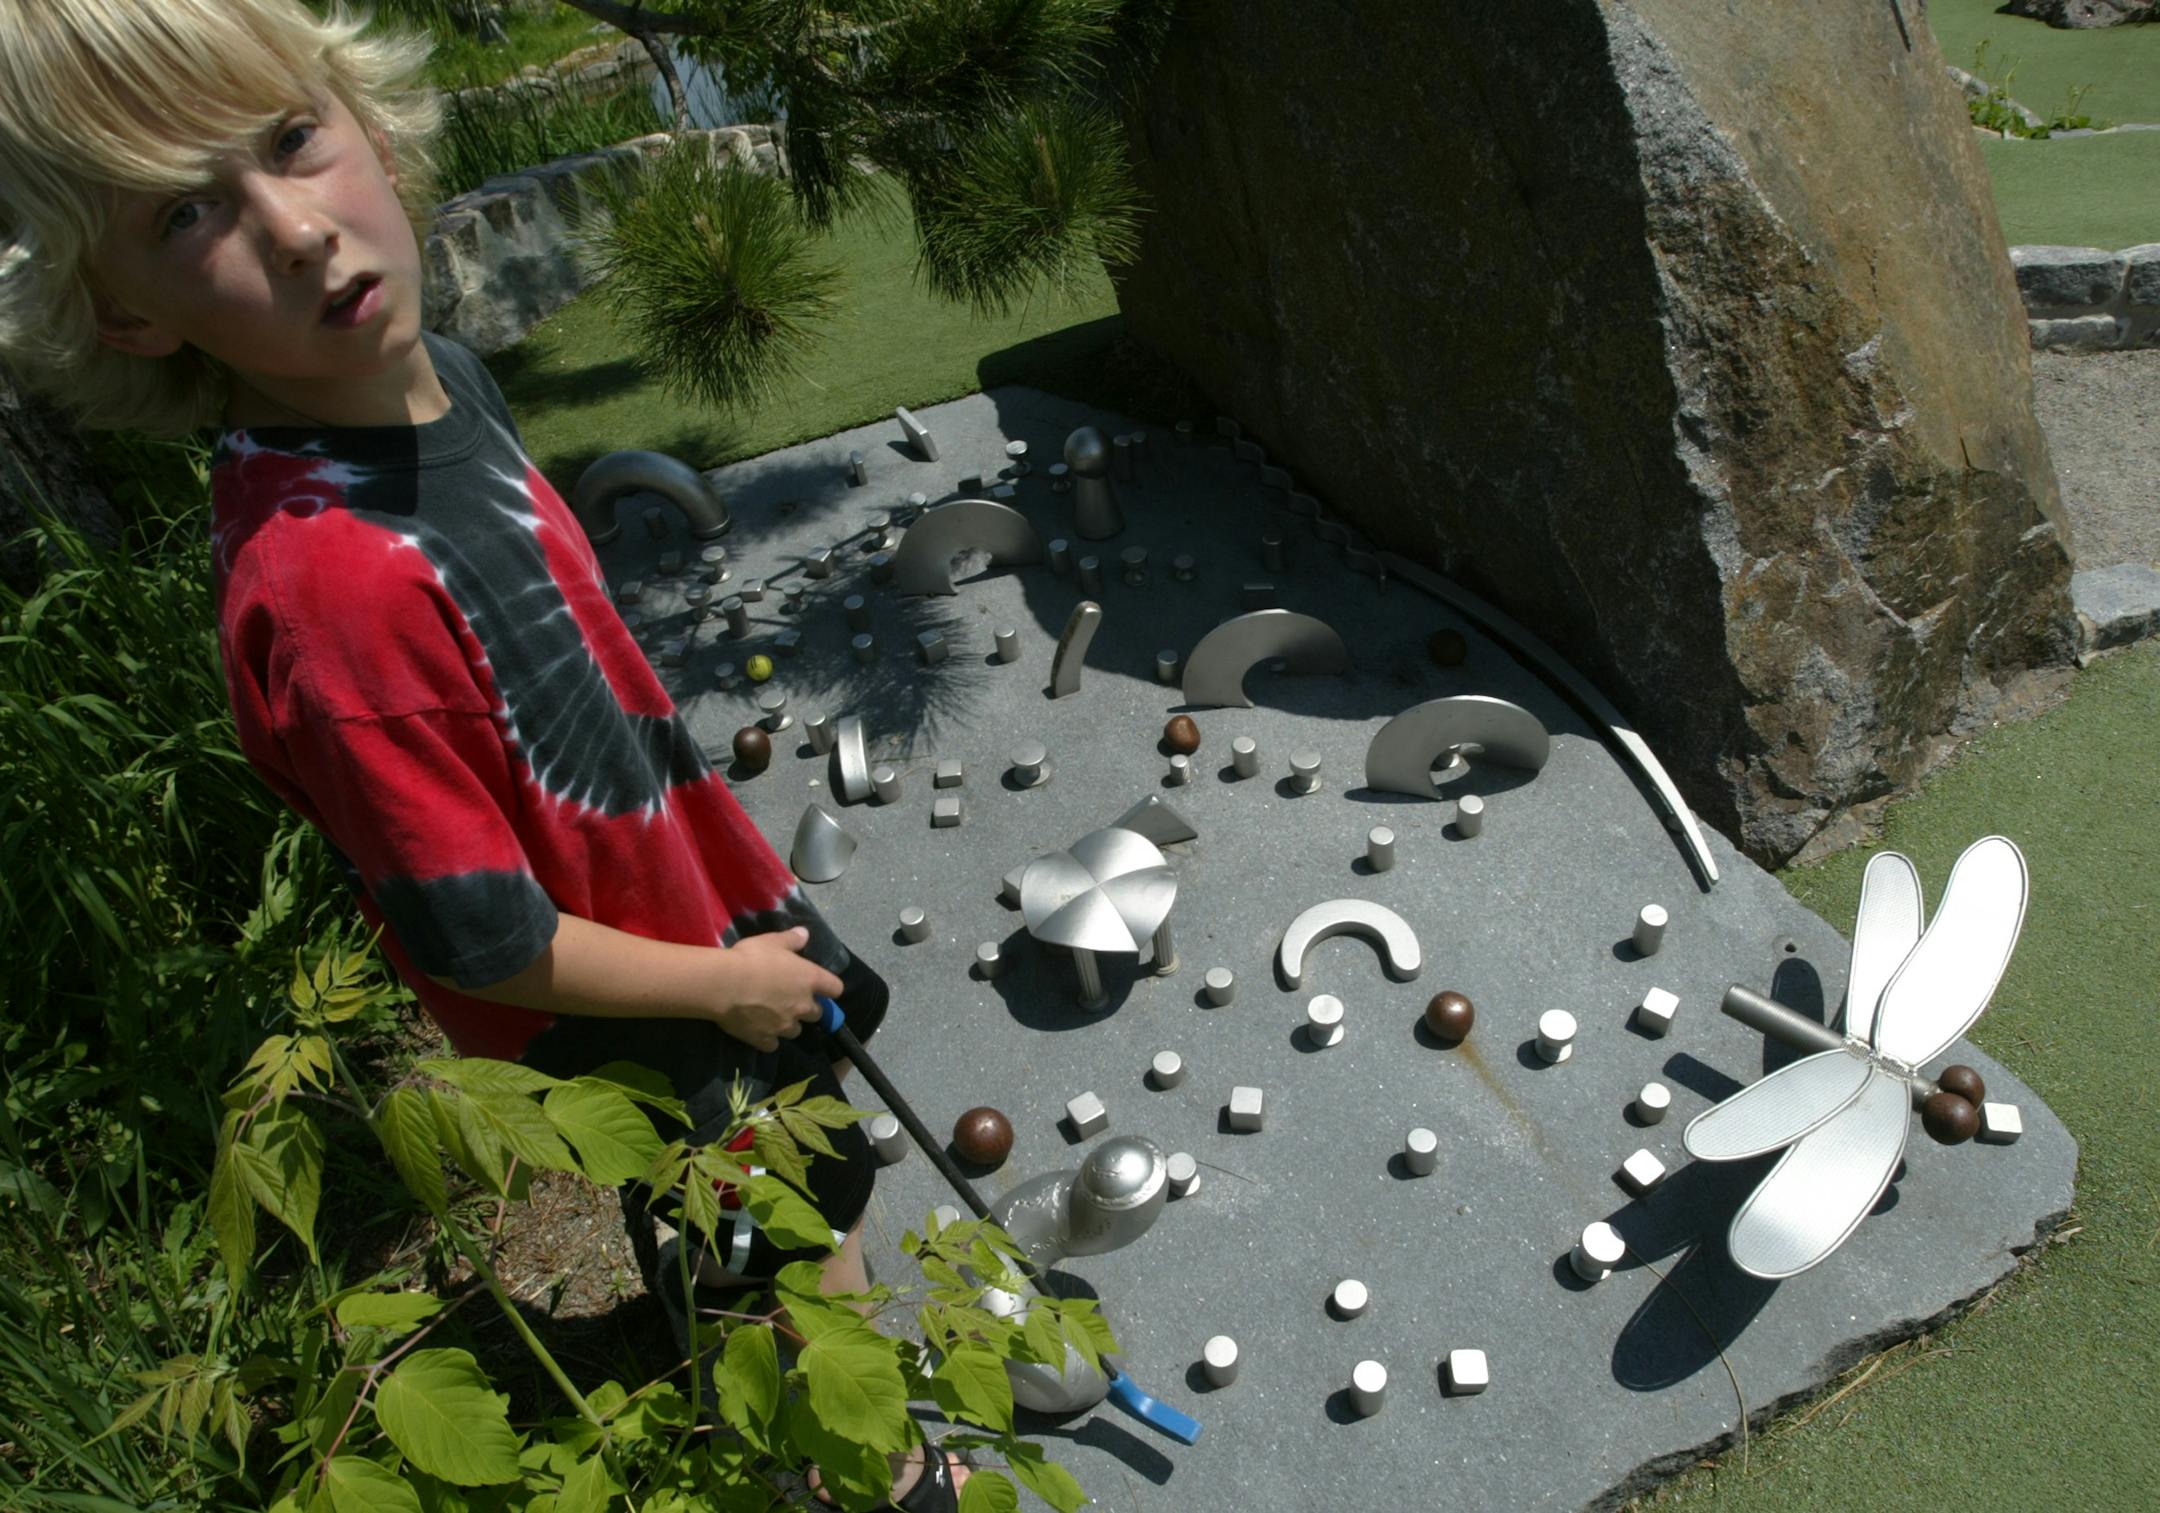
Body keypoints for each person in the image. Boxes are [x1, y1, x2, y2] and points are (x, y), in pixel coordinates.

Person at [0, 3, 962, 1506]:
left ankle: (790, 1354)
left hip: (678, 891)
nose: (298, 231)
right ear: (124, 313)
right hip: (629, 986)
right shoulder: (332, 590)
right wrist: (722, 987)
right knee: (774, 1221)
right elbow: (485, 938)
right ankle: (859, 1469)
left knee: (797, 1169)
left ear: (368, 124)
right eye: (186, 215)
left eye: (291, 139)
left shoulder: (441, 374)